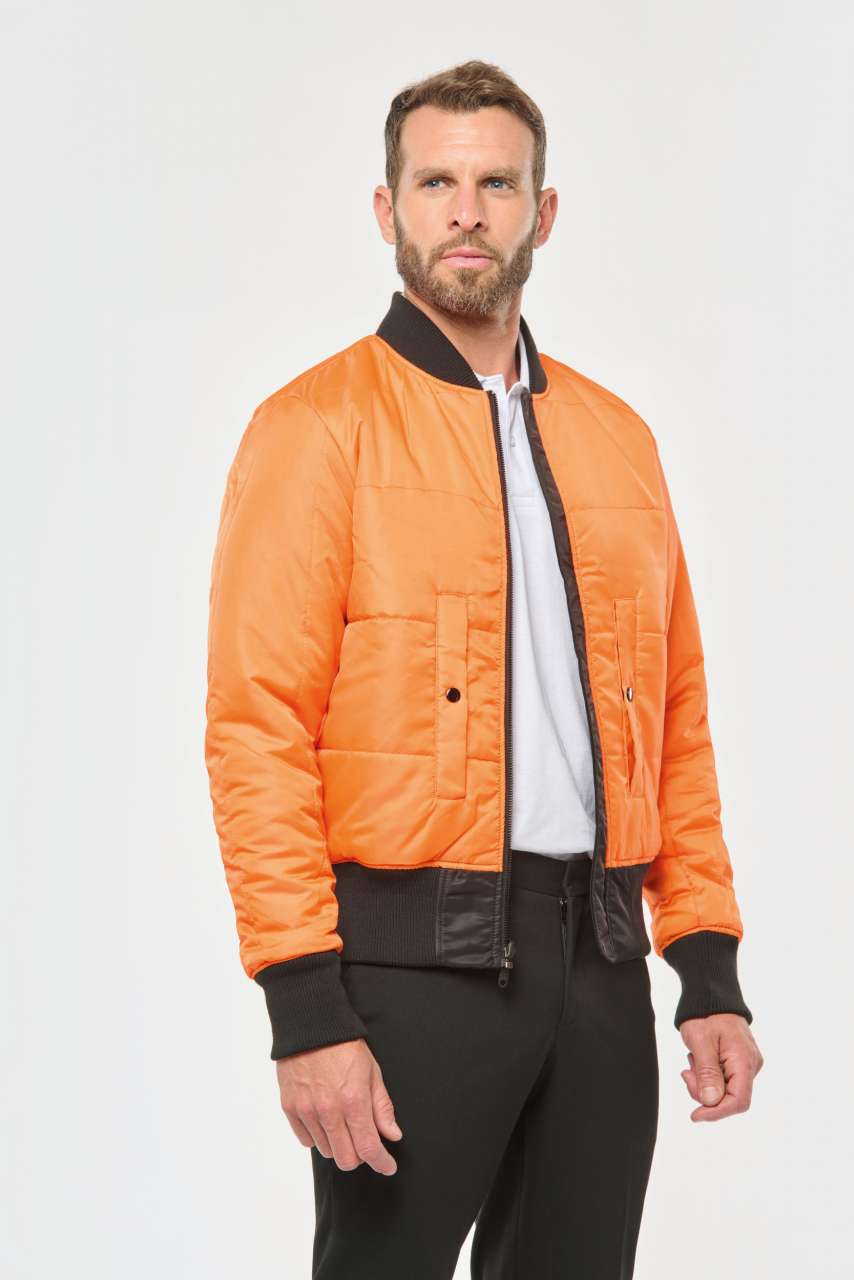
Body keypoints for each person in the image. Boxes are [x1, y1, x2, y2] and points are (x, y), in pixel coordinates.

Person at [204, 58, 763, 1280]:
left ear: (540, 212)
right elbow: (257, 728)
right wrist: (303, 1005)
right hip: (410, 974)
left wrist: (705, 968)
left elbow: (673, 722)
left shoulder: (617, 439)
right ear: (386, 207)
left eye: (496, 184)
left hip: (601, 968)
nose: (466, 212)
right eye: (436, 183)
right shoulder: (314, 428)